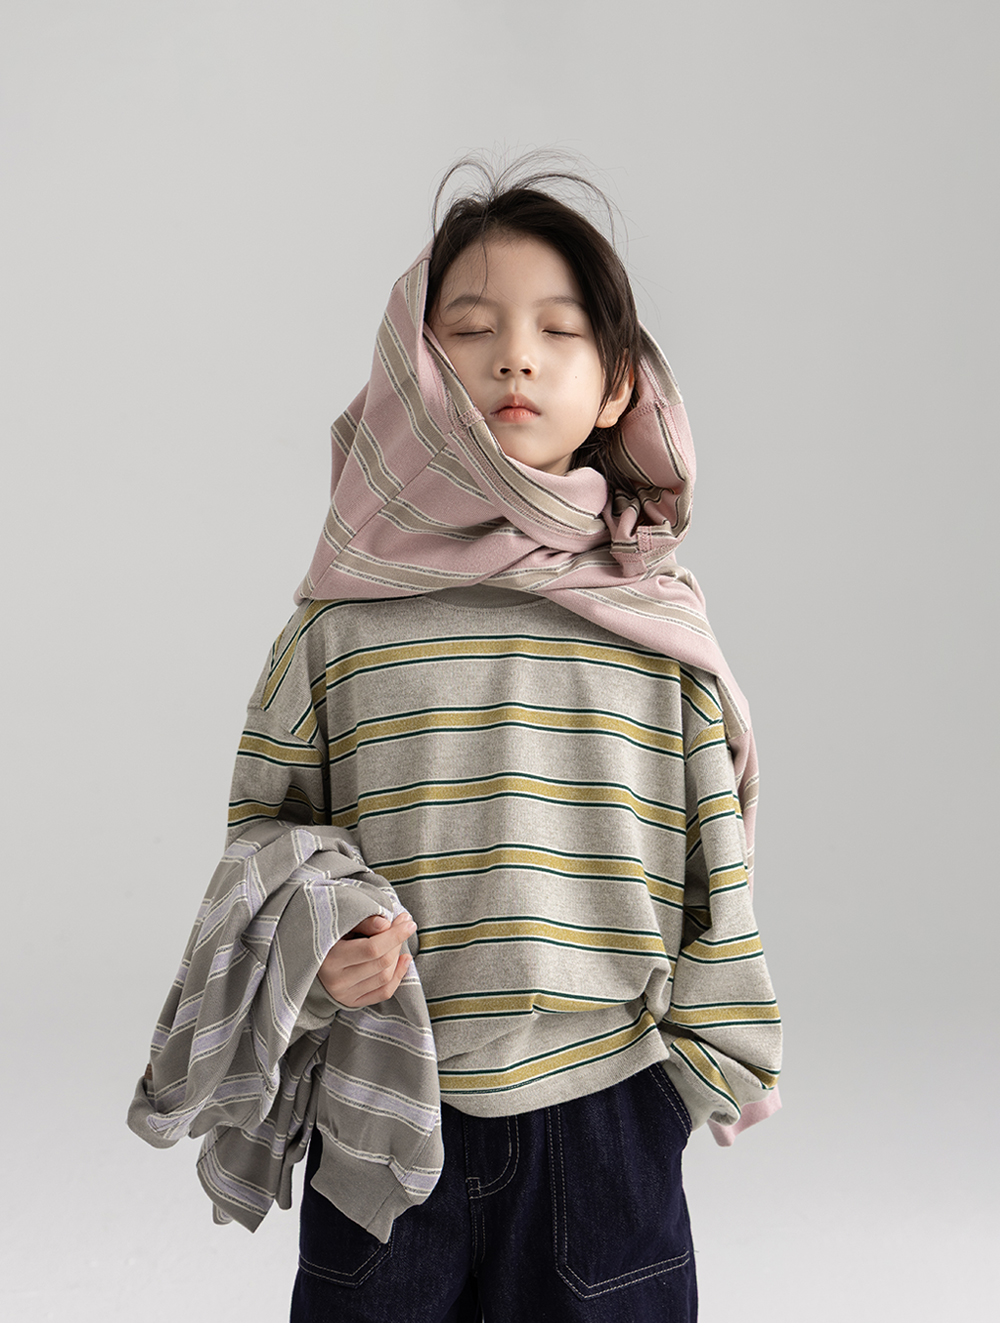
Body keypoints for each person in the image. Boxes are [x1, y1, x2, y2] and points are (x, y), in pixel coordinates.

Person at [129, 160, 782, 1324]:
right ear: (417, 375)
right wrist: (321, 949)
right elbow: (265, 844)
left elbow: (712, 863)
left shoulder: (653, 624)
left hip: (606, 1120)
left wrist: (691, 1072)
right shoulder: (340, 626)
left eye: (557, 331)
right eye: (470, 332)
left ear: (618, 384)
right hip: (382, 1113)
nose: (513, 358)